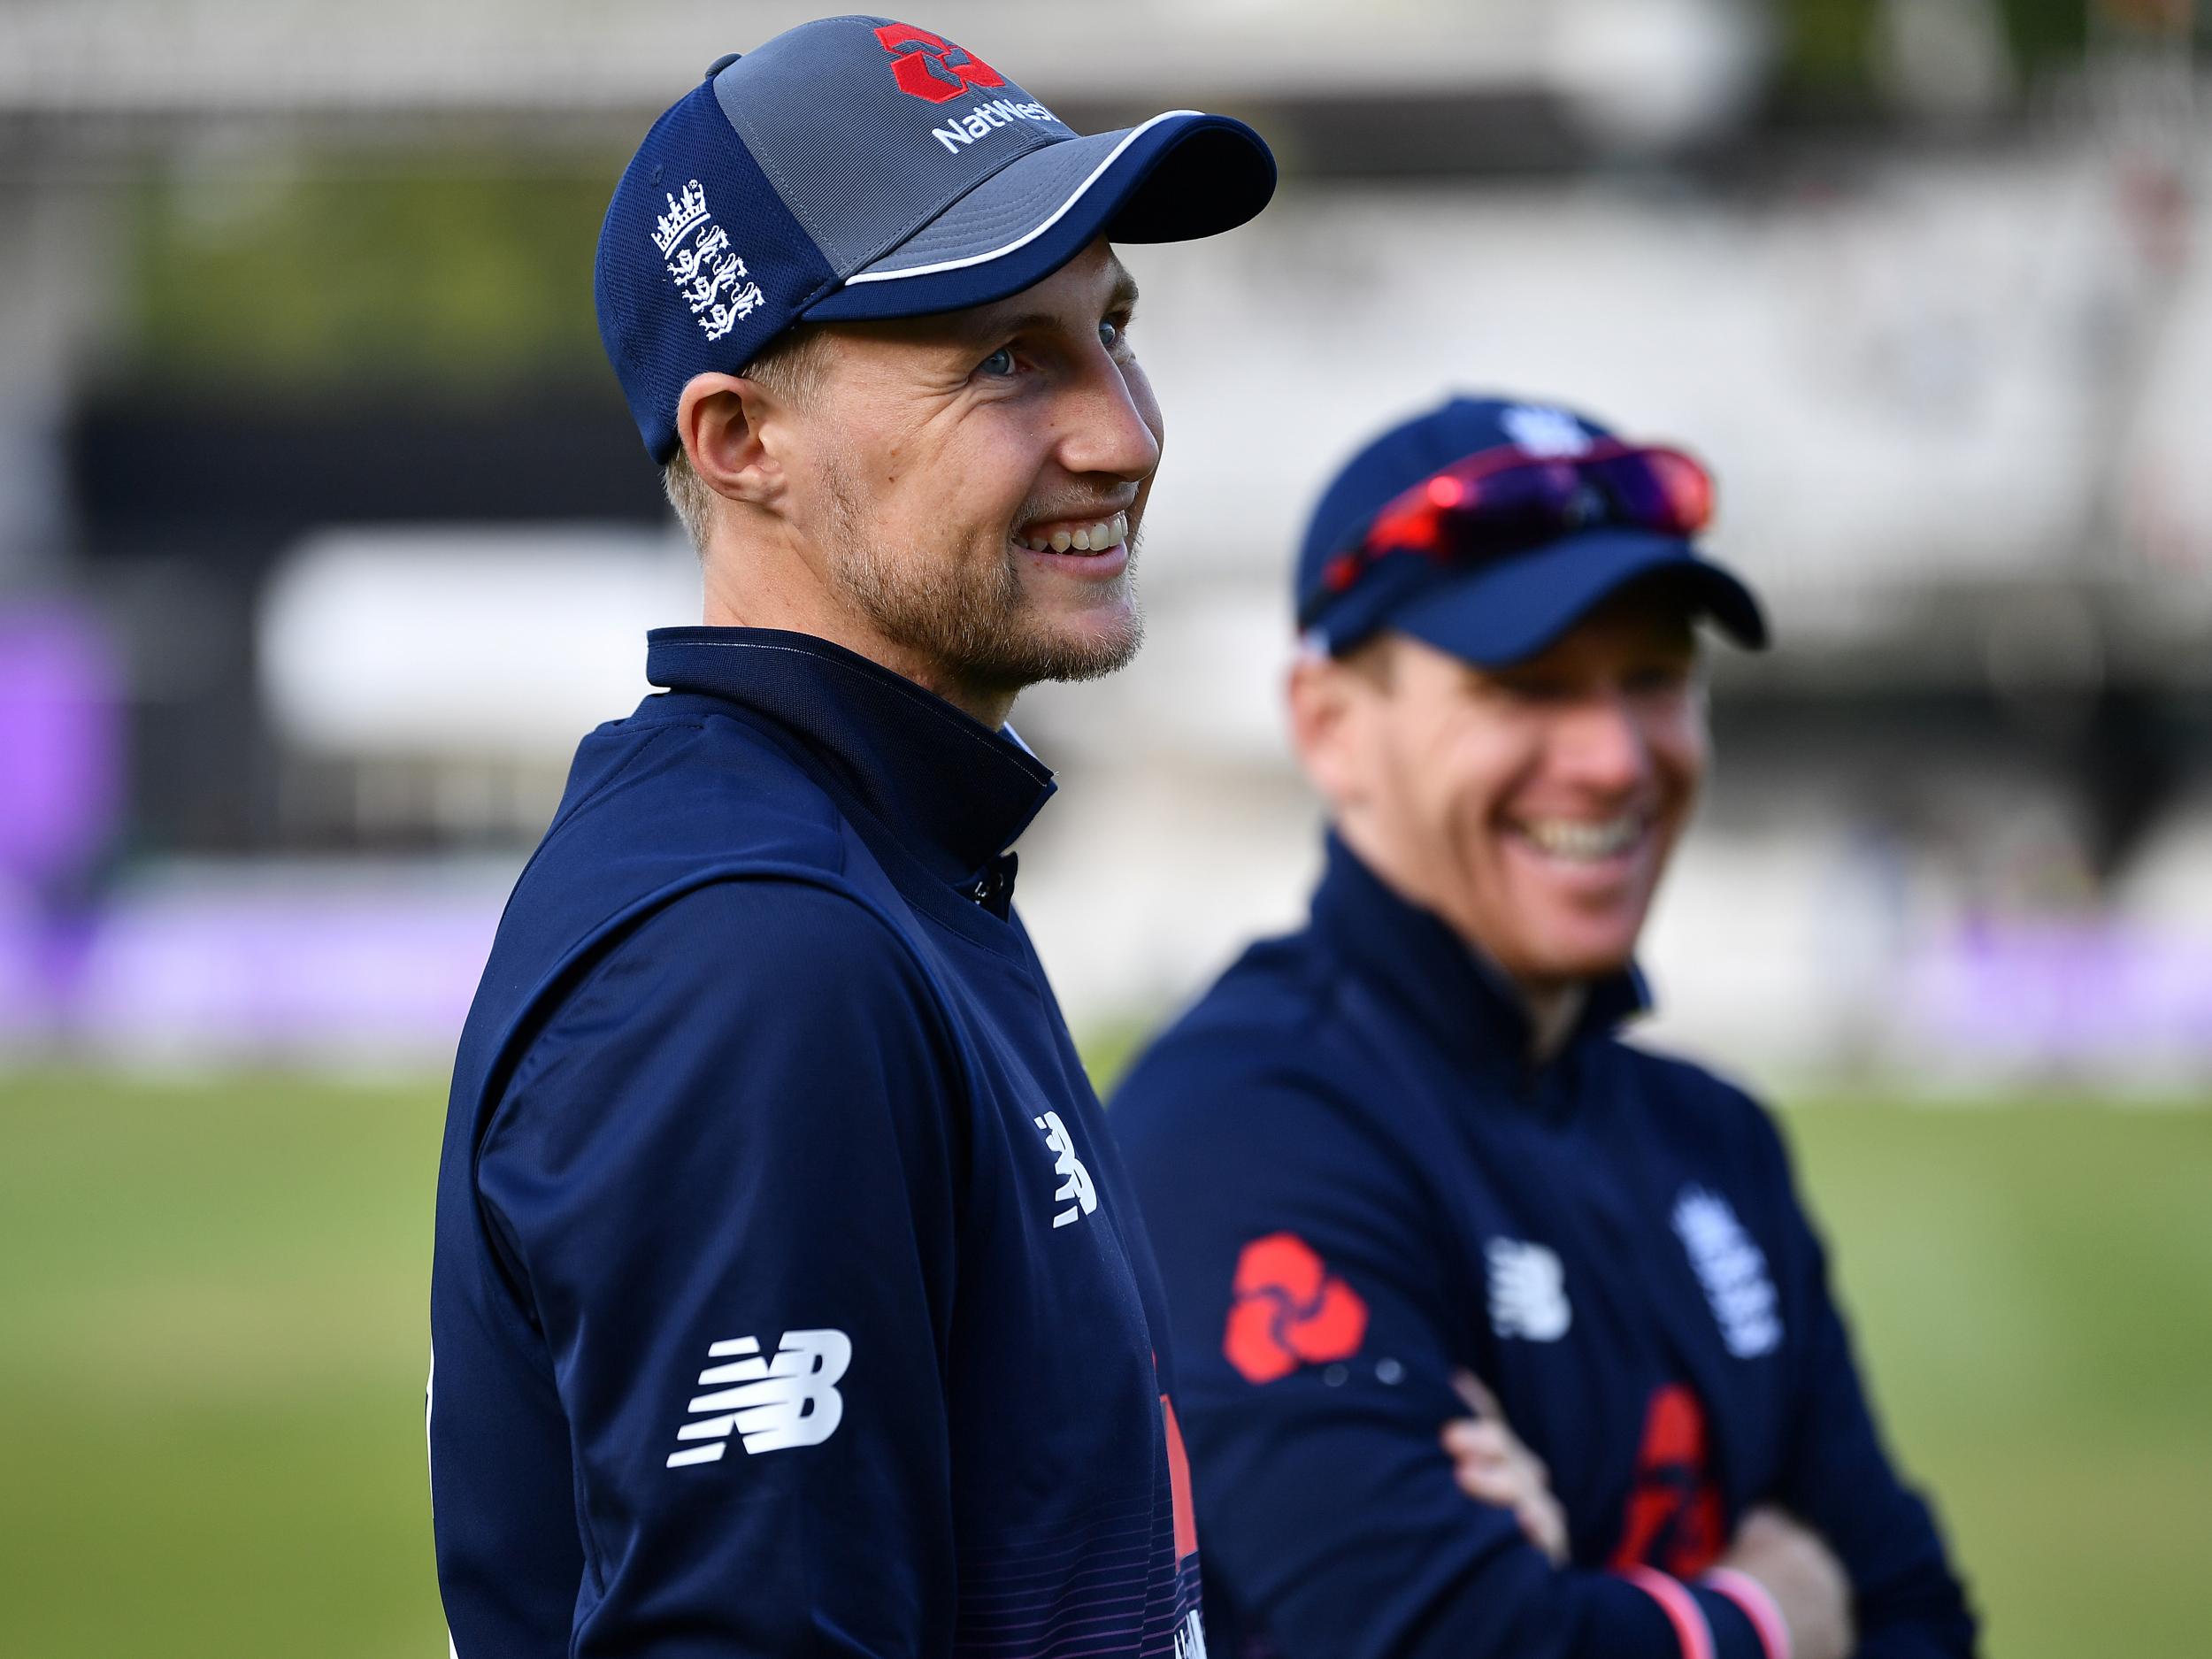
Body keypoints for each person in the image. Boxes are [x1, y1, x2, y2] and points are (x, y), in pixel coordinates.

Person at [426, 18, 1273, 1655]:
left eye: (1110, 329)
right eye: (1004, 361)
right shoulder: (759, 954)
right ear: (743, 445)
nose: (1124, 432)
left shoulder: (883, 859)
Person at [1111, 396, 1978, 1659]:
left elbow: (1917, 1621)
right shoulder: (1238, 1136)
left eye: (1655, 678)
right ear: (1331, 727)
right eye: (1528, 686)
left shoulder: (1714, 1136)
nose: (1616, 757)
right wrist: (1764, 1621)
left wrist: (1589, 1615)